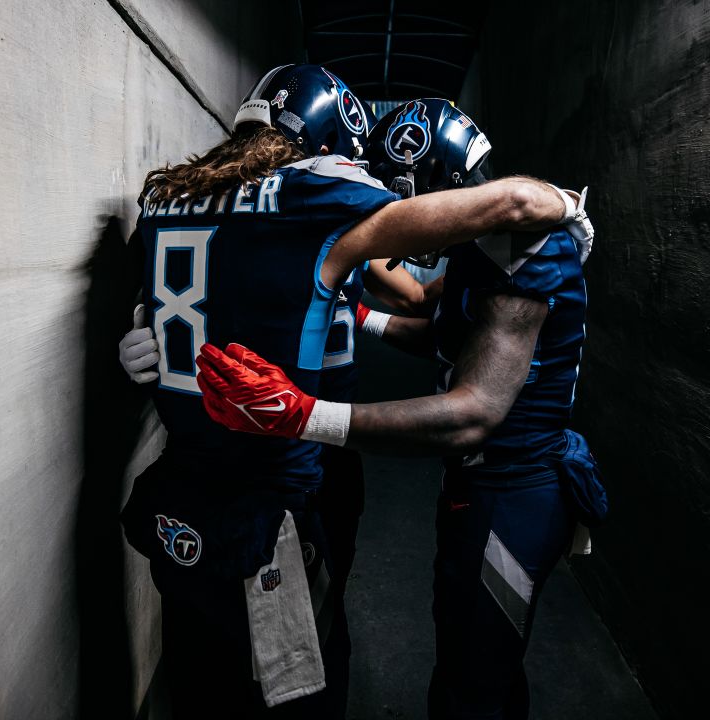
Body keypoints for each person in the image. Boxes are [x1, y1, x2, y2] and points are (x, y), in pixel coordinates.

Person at [119, 64, 576, 718]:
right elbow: (485, 224)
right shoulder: (320, 192)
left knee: (201, 687)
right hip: (277, 481)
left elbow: (165, 295)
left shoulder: (170, 195)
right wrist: (563, 203)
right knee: (300, 684)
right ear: (336, 144)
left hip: (181, 488)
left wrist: (135, 327)